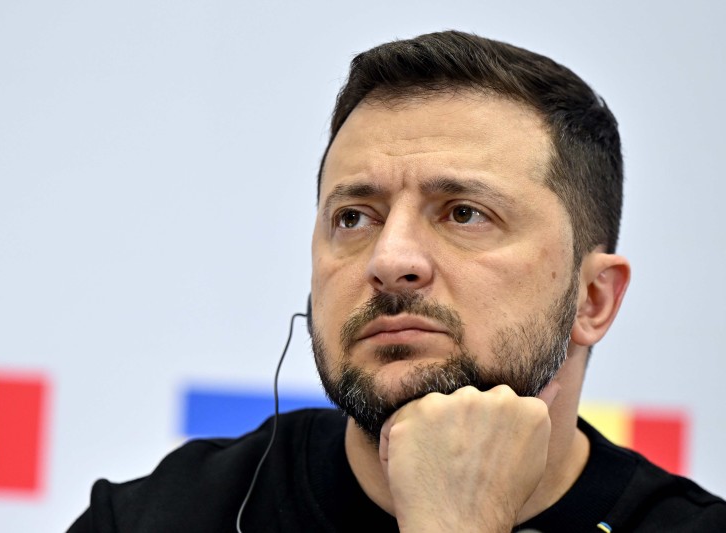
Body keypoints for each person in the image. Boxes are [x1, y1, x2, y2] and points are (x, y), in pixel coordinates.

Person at [68, 30, 726, 532]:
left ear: (593, 299)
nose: (389, 258)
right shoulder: (160, 516)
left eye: (464, 213)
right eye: (354, 217)